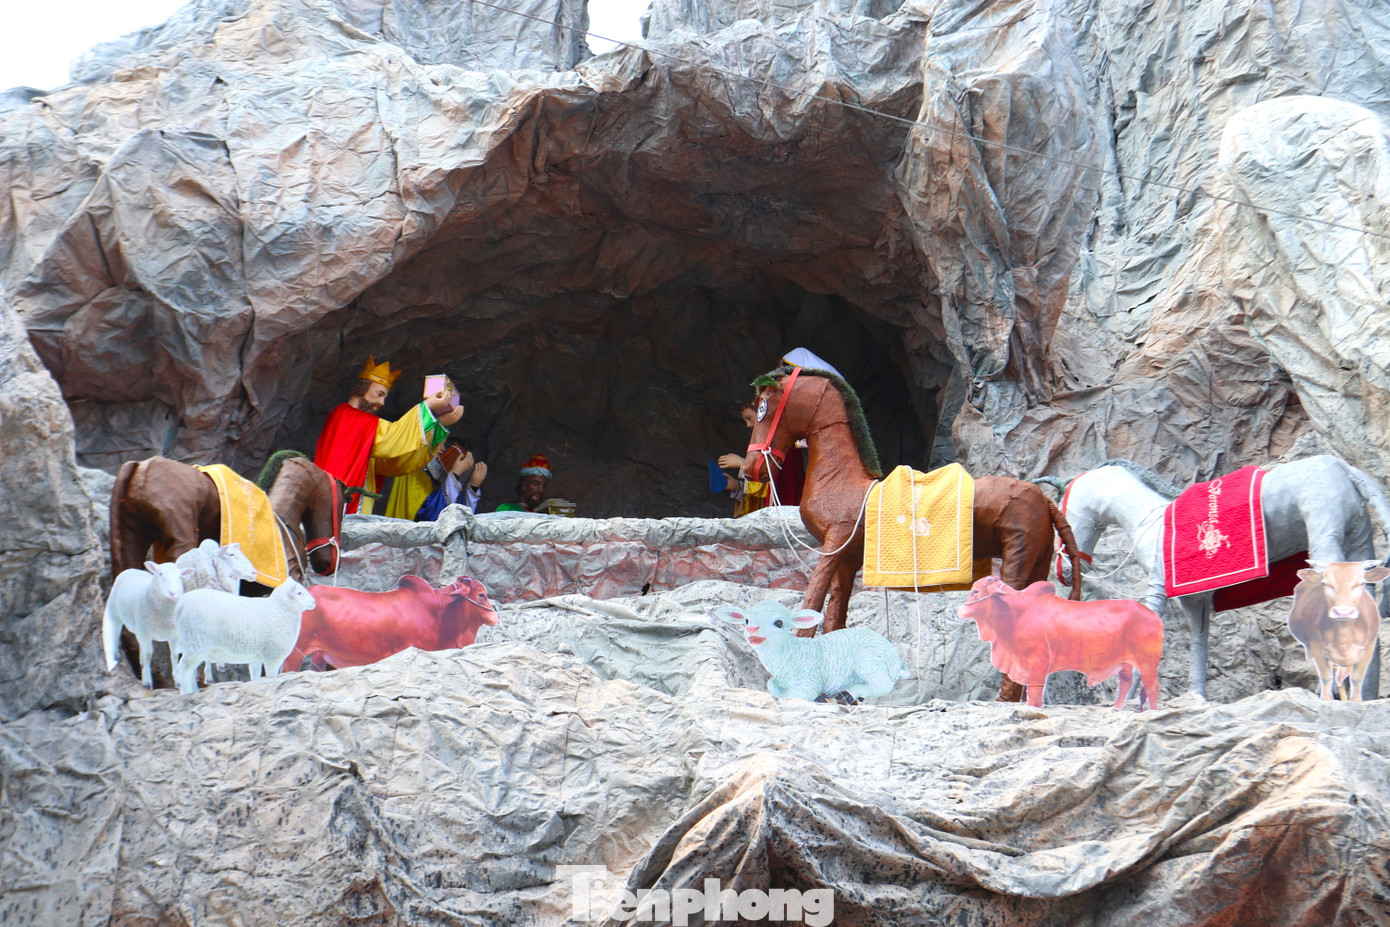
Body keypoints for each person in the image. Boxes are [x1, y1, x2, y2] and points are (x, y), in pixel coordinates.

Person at [313, 356, 464, 515]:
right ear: (362, 388)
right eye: (379, 394)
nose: (382, 402)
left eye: (384, 396)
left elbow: (394, 460)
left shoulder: (356, 422)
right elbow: (392, 439)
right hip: (341, 500)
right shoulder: (348, 416)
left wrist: (438, 426)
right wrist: (427, 408)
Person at [718, 402, 805, 517]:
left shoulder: (780, 443)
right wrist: (737, 487)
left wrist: (742, 464)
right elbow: (765, 491)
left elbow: (774, 482)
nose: (748, 425)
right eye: (745, 421)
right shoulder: (767, 443)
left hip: (784, 510)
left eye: (749, 418)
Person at [415, 443, 488, 520]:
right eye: (440, 443)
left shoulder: (433, 478)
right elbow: (433, 517)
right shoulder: (416, 480)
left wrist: (474, 486)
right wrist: (455, 473)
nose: (443, 449)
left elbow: (463, 516)